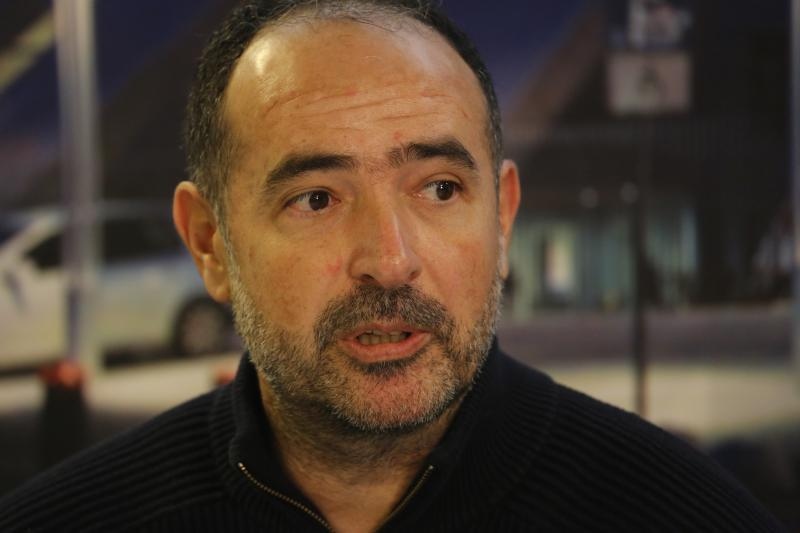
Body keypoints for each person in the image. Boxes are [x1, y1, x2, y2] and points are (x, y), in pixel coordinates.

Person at [0, 1, 783, 531]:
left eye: (439, 189)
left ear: (502, 217)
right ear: (210, 243)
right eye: (316, 199)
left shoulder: (680, 513)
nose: (390, 260)